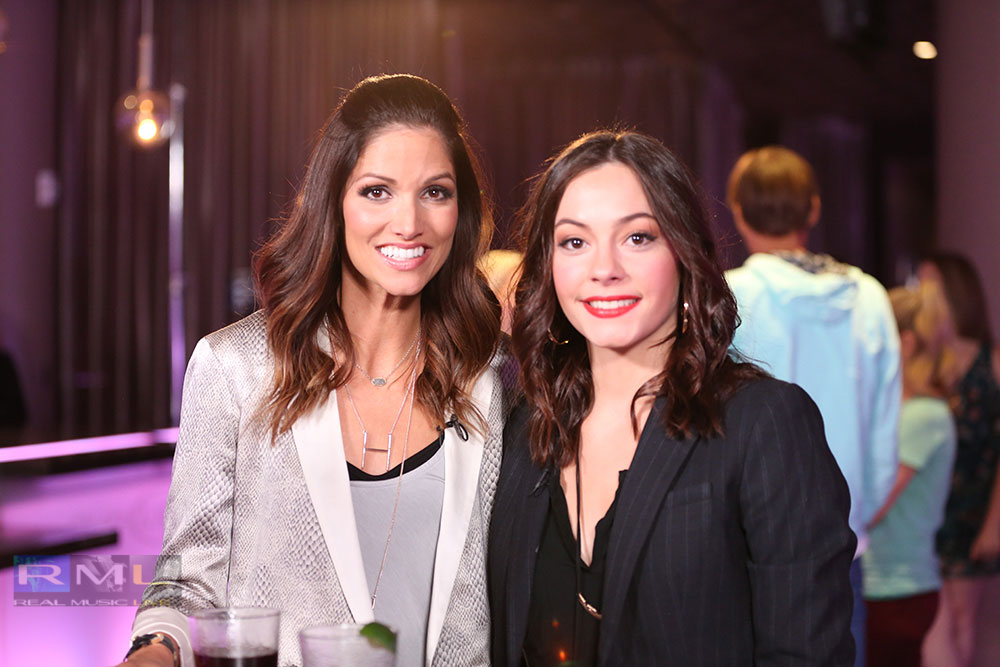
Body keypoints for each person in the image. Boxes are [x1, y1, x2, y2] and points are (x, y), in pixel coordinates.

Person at [117, 74, 507, 667]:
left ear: (461, 210)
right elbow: (185, 581)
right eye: (377, 191)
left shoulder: (492, 380)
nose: (409, 223)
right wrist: (154, 649)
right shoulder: (236, 369)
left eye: (435, 192)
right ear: (334, 202)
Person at [489, 130, 856, 665]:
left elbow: (806, 653)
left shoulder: (762, 423)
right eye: (574, 242)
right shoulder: (524, 427)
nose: (604, 268)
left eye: (638, 237)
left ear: (683, 252)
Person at [724, 145, 901, 666]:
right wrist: (860, 517)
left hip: (742, 536)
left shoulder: (731, 295)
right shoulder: (869, 296)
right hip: (844, 535)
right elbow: (885, 426)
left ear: (738, 211)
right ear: (814, 209)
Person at [862, 281, 957, 666]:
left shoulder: (923, 416)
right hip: (884, 586)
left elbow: (874, 505)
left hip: (896, 587)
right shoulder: (902, 411)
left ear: (905, 342)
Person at [919, 253, 1000, 667]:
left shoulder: (993, 365)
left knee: (962, 618)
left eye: (931, 285)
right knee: (934, 619)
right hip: (929, 507)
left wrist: (993, 523)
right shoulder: (924, 365)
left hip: (973, 506)